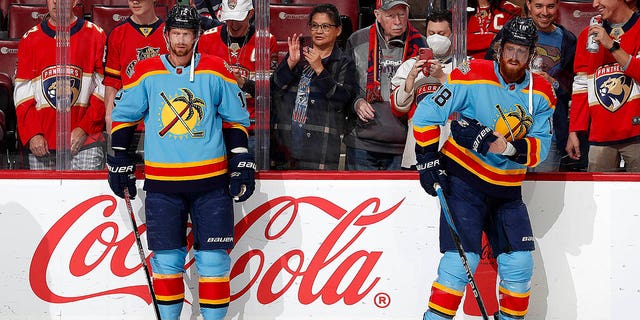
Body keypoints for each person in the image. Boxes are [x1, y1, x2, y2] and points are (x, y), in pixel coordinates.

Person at [107, 5, 255, 320]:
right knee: (166, 261)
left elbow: (236, 120)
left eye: (187, 33)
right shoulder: (147, 71)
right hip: (163, 186)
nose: (180, 40)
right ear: (166, 34)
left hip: (212, 185)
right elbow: (124, 117)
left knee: (214, 262)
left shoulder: (216, 68)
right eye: (175, 33)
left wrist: (241, 160)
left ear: (197, 36)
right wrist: (119, 159)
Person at [413, 17, 555, 320]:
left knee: (519, 265)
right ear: (499, 47)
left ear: (531, 55)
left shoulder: (542, 91)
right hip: (463, 182)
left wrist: (507, 148)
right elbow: (426, 114)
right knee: (460, 263)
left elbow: (541, 147)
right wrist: (427, 159)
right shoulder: (470, 72)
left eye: (522, 51)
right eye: (510, 48)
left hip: (507, 189)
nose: (514, 57)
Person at [486, 0, 584, 171]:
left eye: (550, 6)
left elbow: (575, 87)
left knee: (544, 193)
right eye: (539, 6)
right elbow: (488, 74)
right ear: (529, 5)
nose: (545, 12)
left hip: (547, 135)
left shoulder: (567, 40)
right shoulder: (510, 32)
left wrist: (554, 84)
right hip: (507, 130)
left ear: (558, 6)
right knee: (507, 191)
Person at [14, 0, 106, 170]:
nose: (56, 2)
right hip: (43, 144)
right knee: (43, 197)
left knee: (86, 196)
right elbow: (22, 93)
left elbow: (104, 89)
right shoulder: (30, 39)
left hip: (86, 141)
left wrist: (85, 128)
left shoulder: (96, 35)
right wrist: (33, 133)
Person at [270, 4, 357, 170]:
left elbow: (342, 100)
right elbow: (272, 89)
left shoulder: (344, 62)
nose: (319, 31)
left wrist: (320, 70)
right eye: (315, 26)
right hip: (286, 143)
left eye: (325, 26)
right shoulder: (297, 55)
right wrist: (289, 64)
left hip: (321, 146)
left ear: (338, 30)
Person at [343, 0, 426, 170]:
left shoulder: (421, 45)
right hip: (362, 143)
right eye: (390, 15)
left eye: (402, 14)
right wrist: (356, 102)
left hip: (403, 144)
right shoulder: (357, 40)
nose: (398, 21)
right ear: (377, 15)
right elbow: (345, 85)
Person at [565, 0, 640, 172]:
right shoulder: (587, 35)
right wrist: (574, 129)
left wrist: (612, 46)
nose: (594, 4)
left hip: (637, 134)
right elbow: (581, 86)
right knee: (597, 196)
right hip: (600, 135)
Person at [199, 0, 278, 153]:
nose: (233, 24)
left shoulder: (266, 40)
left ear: (251, 14)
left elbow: (270, 91)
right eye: (229, 18)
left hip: (252, 124)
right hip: (217, 124)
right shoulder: (207, 39)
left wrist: (244, 83)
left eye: (239, 18)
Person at [103, 0, 168, 161]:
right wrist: (109, 117)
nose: (135, 1)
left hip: (164, 122)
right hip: (127, 123)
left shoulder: (170, 33)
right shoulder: (118, 34)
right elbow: (112, 81)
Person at [391, 9, 454, 169]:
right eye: (431, 33)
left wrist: (441, 77)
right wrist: (411, 78)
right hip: (416, 153)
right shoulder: (409, 66)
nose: (436, 38)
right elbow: (398, 108)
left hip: (455, 153)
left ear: (452, 35)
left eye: (442, 33)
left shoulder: (465, 65)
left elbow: (472, 104)